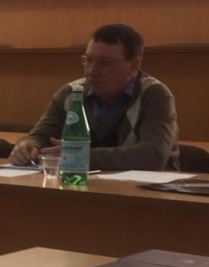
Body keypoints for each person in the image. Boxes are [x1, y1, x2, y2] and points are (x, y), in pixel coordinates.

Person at [10, 23, 179, 171]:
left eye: (105, 63)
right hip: (85, 185)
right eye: (88, 60)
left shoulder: (154, 95)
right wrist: (26, 146)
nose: (92, 71)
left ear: (134, 65)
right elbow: (40, 137)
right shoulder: (71, 93)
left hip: (145, 191)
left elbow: (153, 155)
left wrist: (81, 156)